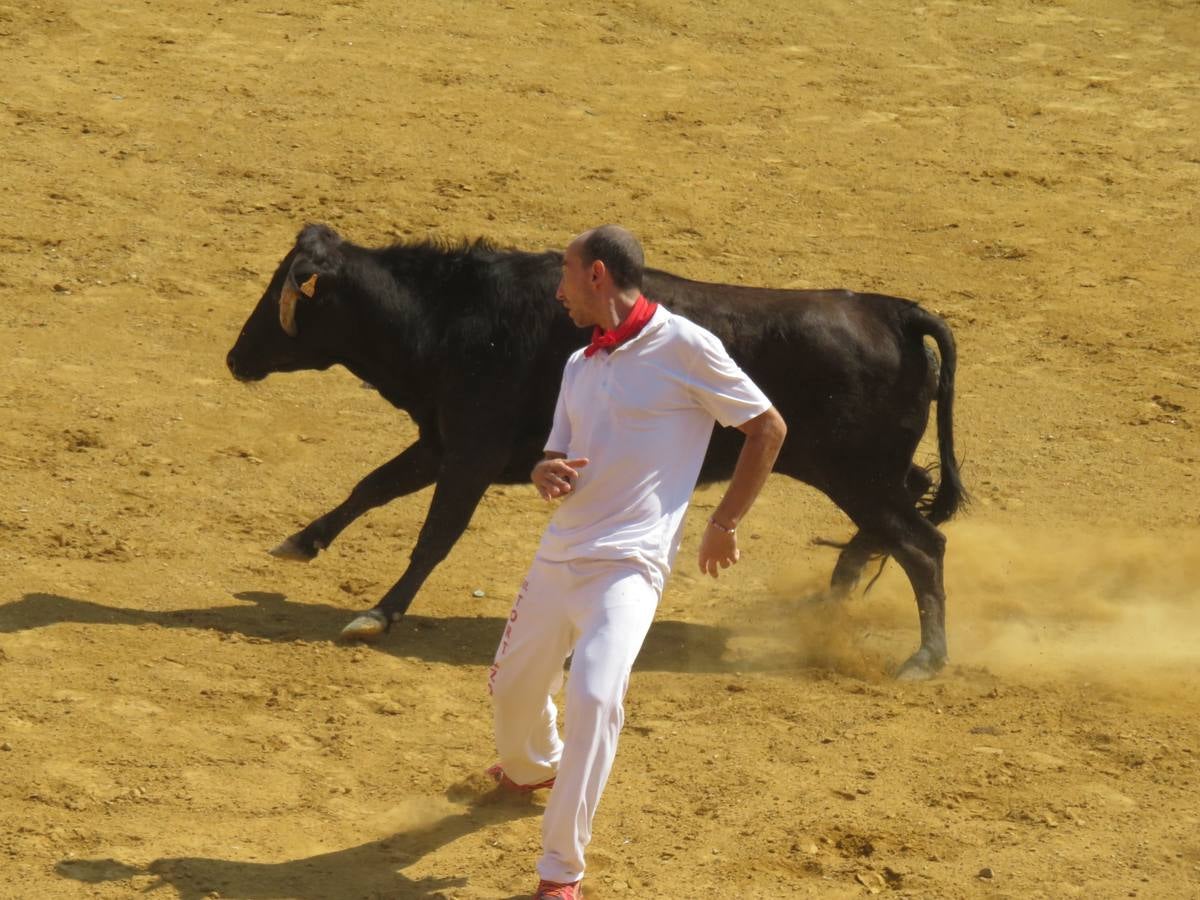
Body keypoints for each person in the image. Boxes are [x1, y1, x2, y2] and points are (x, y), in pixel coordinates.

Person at [487, 225, 787, 899]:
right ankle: (536, 767)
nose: (557, 291)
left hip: (629, 569)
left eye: (563, 275)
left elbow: (766, 427)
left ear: (597, 275)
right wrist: (546, 471)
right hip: (559, 555)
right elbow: (555, 450)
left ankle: (559, 874)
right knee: (510, 691)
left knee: (596, 696)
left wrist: (724, 522)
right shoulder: (578, 365)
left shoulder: (685, 345)